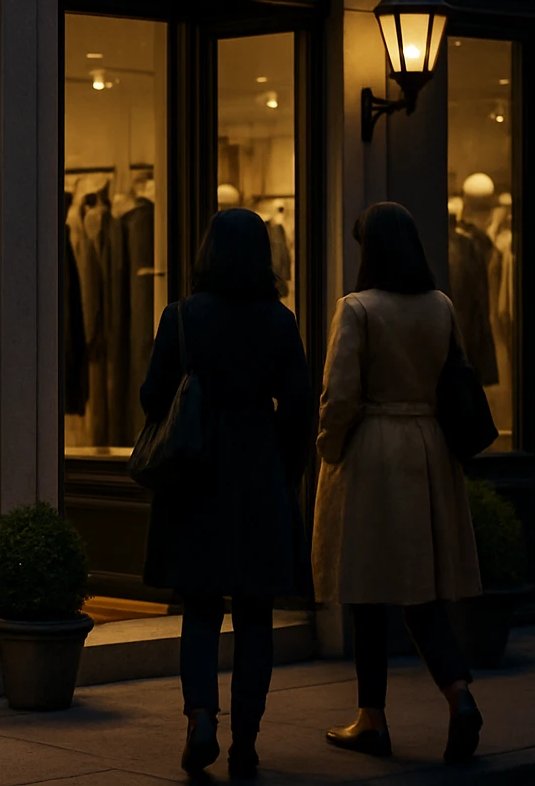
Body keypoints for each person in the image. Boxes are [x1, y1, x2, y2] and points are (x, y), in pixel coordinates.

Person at [139, 208, 315, 779]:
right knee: (256, 616)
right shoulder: (280, 320)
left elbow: (151, 396)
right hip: (258, 469)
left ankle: (199, 718)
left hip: (196, 472)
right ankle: (245, 743)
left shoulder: (182, 316)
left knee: (199, 609)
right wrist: (282, 473)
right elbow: (298, 410)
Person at [312, 202, 483, 764]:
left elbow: (340, 397)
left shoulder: (357, 309)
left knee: (366, 588)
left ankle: (372, 718)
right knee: (422, 592)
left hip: (375, 451)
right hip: (428, 448)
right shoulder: (441, 307)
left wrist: (327, 449)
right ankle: (458, 696)